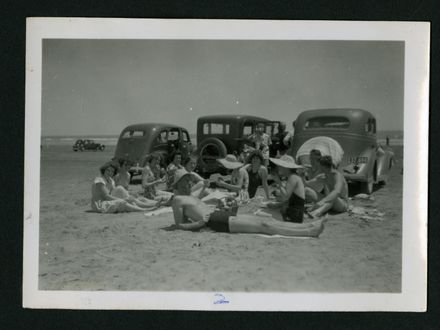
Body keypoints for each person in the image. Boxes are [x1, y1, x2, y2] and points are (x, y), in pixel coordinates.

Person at [171, 169, 325, 237]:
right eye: (184, 182)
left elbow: (199, 208)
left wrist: (220, 206)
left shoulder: (191, 195)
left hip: (219, 215)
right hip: (214, 221)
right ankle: (308, 231)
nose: (188, 184)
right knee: (264, 226)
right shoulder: (178, 199)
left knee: (267, 220)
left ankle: (307, 226)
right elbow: (179, 225)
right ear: (177, 185)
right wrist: (198, 225)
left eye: (188, 181)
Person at [91, 161, 159, 213]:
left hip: (107, 199)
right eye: (108, 170)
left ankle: (151, 205)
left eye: (112, 171)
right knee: (122, 202)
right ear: (104, 170)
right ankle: (144, 209)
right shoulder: (99, 180)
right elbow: (106, 196)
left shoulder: (111, 180)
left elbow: (115, 191)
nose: (110, 172)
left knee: (122, 190)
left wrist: (130, 195)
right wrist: (124, 199)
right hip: (100, 204)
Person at [265, 155, 306, 223]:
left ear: (286, 167)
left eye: (280, 166)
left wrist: (278, 182)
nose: (278, 168)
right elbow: (288, 200)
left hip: (294, 215)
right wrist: (276, 205)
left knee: (267, 220)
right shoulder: (293, 176)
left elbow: (285, 197)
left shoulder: (293, 177)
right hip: (295, 213)